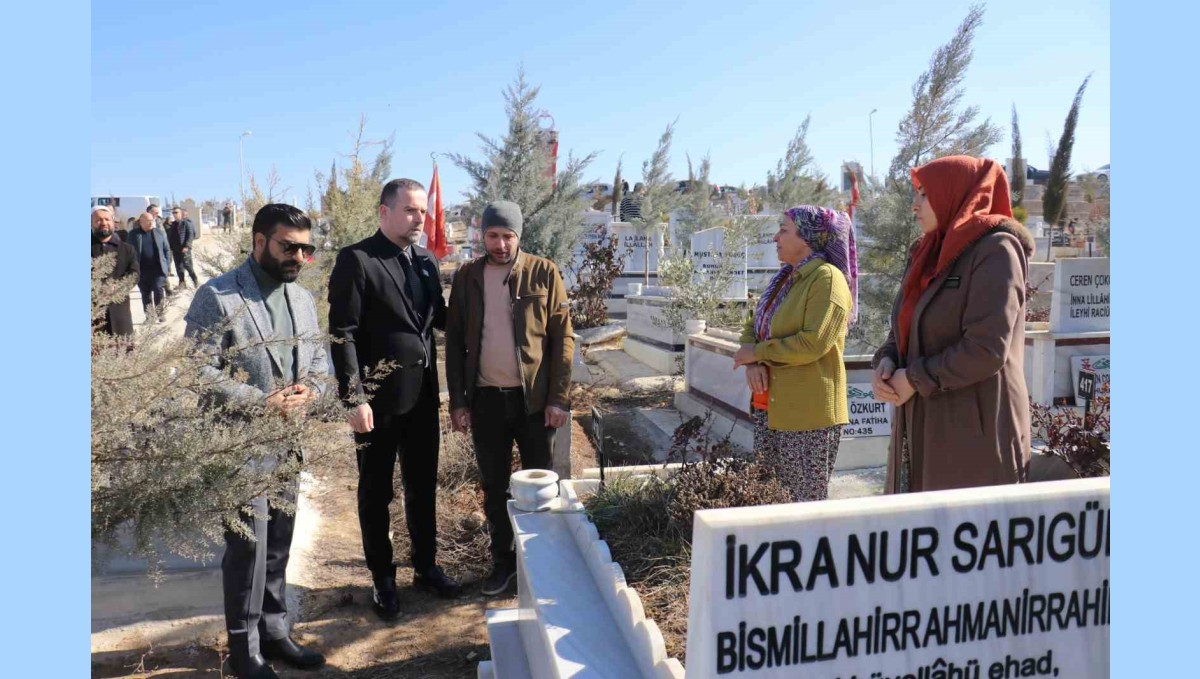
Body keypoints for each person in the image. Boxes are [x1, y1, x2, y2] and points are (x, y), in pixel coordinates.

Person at [184, 203, 329, 678]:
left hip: (289, 444)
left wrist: (312, 389)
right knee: (247, 551)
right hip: (239, 446)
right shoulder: (219, 296)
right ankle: (245, 654)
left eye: (306, 248)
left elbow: (320, 367)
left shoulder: (303, 299)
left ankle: (276, 632)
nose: (299, 257)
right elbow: (196, 372)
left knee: (278, 546)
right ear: (259, 241)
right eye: (290, 246)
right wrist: (258, 400)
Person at [328, 177, 461, 619]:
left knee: (422, 487)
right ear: (384, 212)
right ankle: (383, 578)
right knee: (376, 492)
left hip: (423, 397)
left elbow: (438, 319)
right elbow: (342, 333)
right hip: (377, 403)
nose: (418, 219)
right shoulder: (358, 260)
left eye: (422, 211)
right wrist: (354, 398)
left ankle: (425, 567)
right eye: (409, 210)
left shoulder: (425, 260)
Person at [871, 155, 1034, 493]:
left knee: (961, 539)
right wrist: (886, 361)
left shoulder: (996, 250)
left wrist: (914, 378)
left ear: (954, 193)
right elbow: (905, 326)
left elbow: (986, 349)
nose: (914, 205)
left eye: (924, 194)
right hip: (919, 427)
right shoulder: (926, 252)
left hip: (974, 435)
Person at [445, 200, 575, 595]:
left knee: (541, 483)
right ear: (481, 235)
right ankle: (502, 563)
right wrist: (457, 401)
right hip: (485, 400)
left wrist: (559, 398)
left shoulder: (544, 272)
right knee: (494, 485)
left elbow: (562, 340)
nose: (500, 244)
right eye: (492, 236)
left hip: (533, 403)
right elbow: (453, 344)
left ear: (519, 236)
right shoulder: (468, 276)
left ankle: (541, 565)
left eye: (507, 236)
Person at [733, 206, 857, 502]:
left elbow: (813, 343)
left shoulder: (826, 279)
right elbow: (755, 324)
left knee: (802, 506)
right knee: (771, 500)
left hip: (807, 414)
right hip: (770, 408)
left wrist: (757, 353)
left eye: (784, 230)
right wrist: (755, 361)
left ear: (808, 238)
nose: (776, 237)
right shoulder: (786, 278)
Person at [90, 205, 139, 339]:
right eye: (98, 220)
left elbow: (134, 274)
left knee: (123, 352)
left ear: (113, 222)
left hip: (120, 312)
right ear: (91, 223)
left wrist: (118, 286)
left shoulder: (127, 249)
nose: (103, 223)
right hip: (93, 314)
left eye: (107, 219)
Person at [125, 212, 172, 322]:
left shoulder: (159, 233)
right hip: (142, 270)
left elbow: (167, 250)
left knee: (158, 289)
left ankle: (160, 313)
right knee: (145, 293)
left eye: (152, 220)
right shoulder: (133, 235)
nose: (151, 222)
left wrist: (167, 265)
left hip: (158, 269)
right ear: (141, 222)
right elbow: (128, 251)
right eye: (148, 220)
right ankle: (149, 316)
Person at [168, 206, 199, 289]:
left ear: (181, 213)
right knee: (178, 267)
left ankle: (195, 280)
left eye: (176, 212)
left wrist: (187, 246)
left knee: (188, 266)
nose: (174, 214)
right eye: (173, 212)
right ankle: (182, 283)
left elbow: (190, 235)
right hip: (175, 249)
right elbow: (170, 236)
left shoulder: (186, 223)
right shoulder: (173, 224)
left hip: (184, 249)